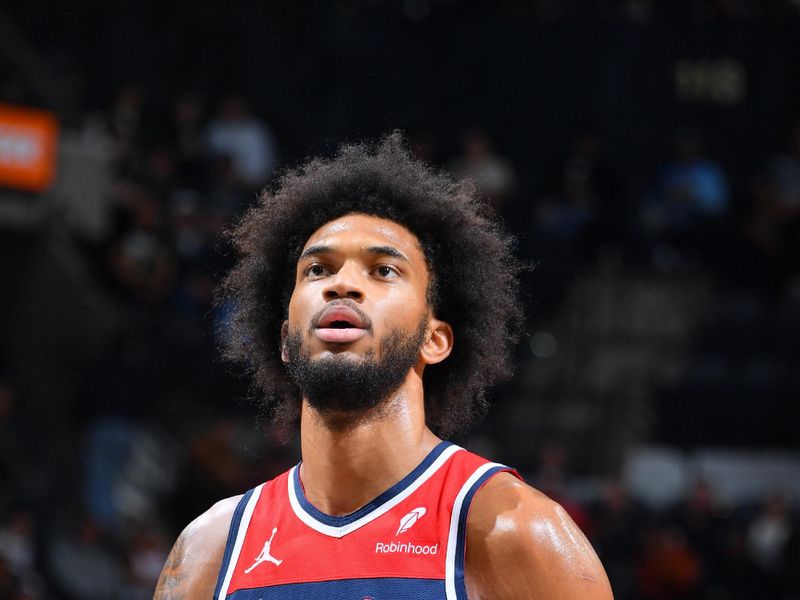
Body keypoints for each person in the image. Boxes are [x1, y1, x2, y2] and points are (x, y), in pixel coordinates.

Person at [153, 133, 613, 599]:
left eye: (383, 270)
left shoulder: (511, 529)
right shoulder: (210, 551)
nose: (343, 284)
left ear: (434, 340)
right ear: (284, 341)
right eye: (317, 269)